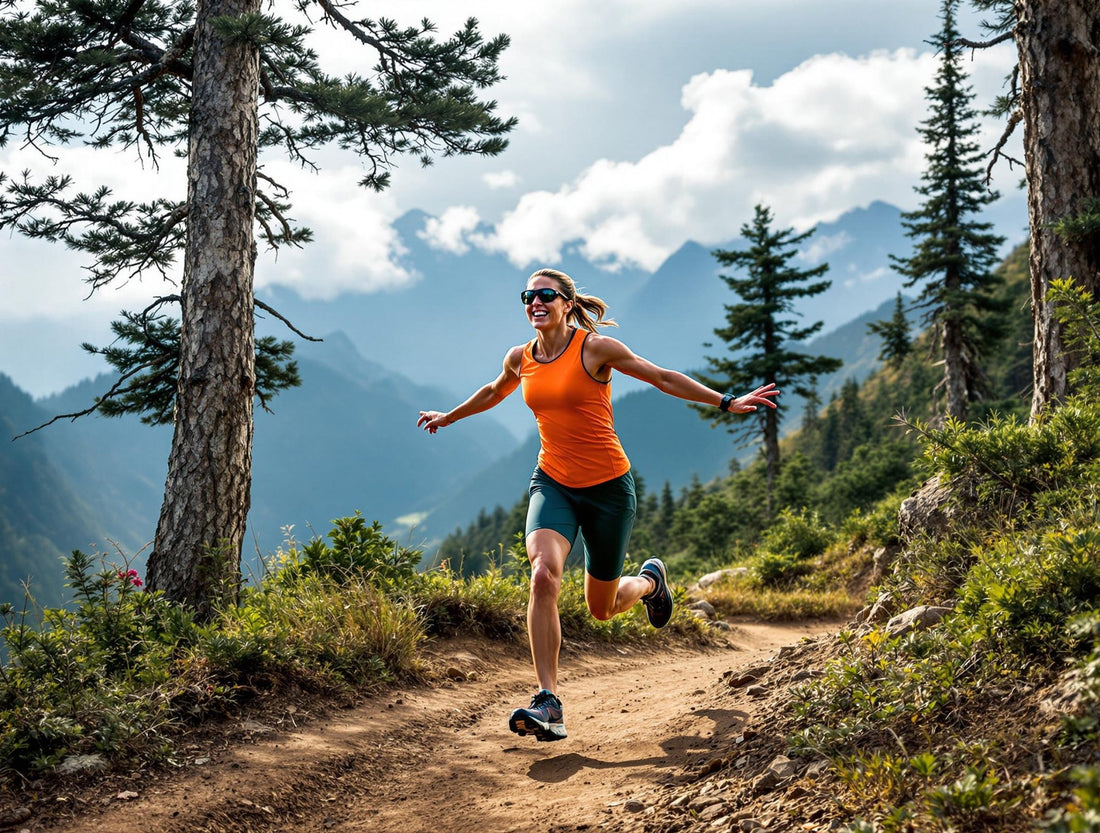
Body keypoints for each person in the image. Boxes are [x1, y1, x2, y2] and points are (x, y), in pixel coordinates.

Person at [417, 267, 779, 743]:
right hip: (553, 483)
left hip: (609, 489)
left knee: (602, 608)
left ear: (567, 303)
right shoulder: (520, 357)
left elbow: (661, 377)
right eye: (528, 295)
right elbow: (493, 391)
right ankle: (548, 700)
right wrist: (449, 416)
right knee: (543, 573)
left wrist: (725, 401)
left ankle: (650, 583)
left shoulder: (594, 349)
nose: (535, 302)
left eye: (546, 295)